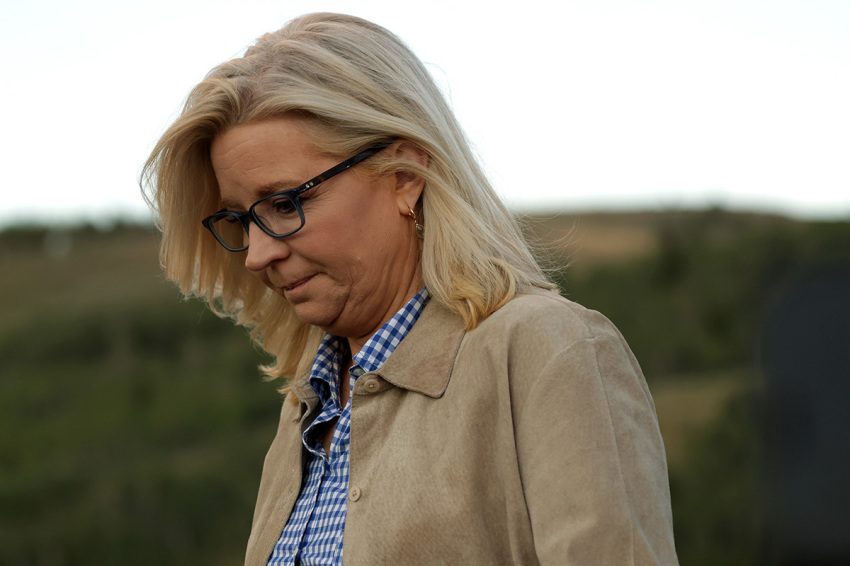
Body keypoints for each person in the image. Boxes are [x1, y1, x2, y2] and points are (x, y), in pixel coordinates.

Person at [142, 12, 678, 566]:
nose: (256, 255)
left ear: (405, 173)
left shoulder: (549, 351)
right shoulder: (305, 413)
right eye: (240, 220)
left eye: (284, 203)